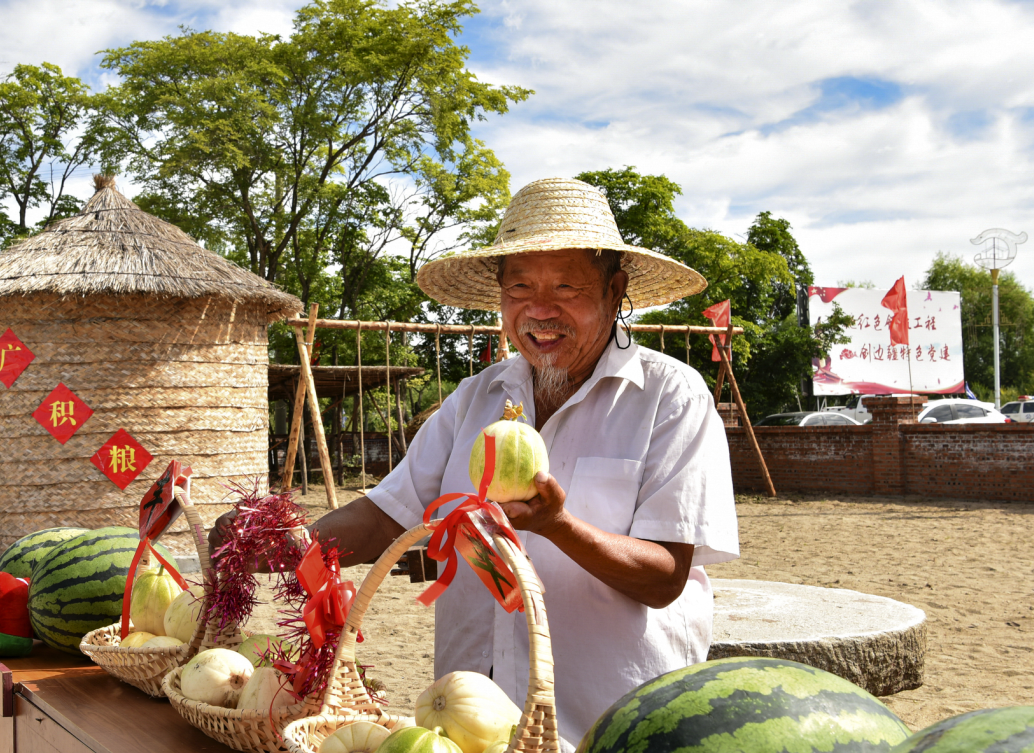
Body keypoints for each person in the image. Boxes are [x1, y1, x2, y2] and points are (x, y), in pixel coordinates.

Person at [212, 177, 738, 748]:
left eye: (567, 286)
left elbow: (665, 576)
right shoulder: (476, 398)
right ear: (500, 295)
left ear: (615, 291)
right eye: (519, 288)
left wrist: (555, 526)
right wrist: (290, 543)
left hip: (612, 727)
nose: (541, 310)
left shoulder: (670, 398)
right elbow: (390, 514)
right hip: (470, 722)